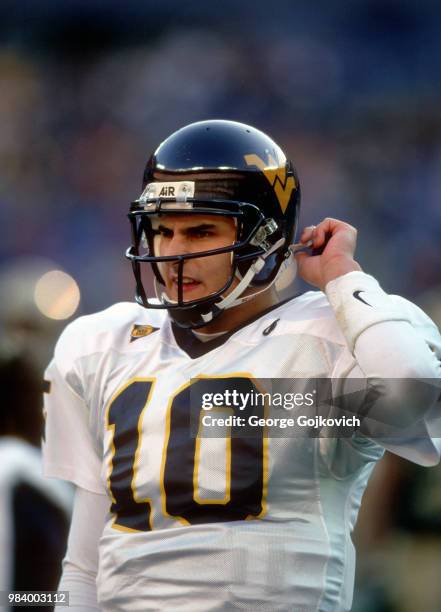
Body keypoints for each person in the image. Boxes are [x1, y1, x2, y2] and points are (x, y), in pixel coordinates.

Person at [43, 120, 441, 611]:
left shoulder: (329, 335)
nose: (173, 254)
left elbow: (410, 397)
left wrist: (343, 277)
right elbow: (84, 567)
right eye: (162, 230)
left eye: (201, 231)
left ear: (264, 237)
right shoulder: (102, 344)